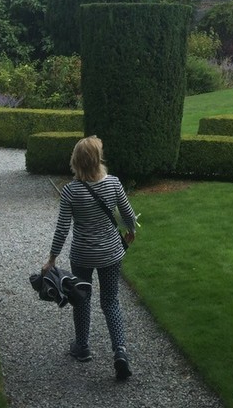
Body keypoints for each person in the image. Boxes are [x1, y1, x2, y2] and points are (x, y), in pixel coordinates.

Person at [42, 135, 137, 380]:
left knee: (81, 299)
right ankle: (120, 352)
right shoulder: (113, 183)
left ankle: (82, 347)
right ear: (98, 160)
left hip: (82, 255)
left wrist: (52, 258)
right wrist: (131, 231)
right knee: (111, 302)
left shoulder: (70, 191)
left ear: (76, 161)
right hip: (110, 254)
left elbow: (62, 228)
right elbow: (127, 213)